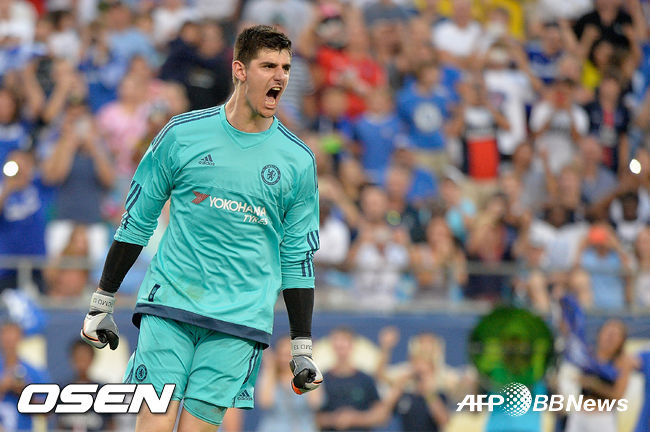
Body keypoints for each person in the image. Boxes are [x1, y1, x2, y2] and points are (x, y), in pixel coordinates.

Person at [80, 25, 323, 432]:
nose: (280, 76)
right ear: (239, 70)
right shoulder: (182, 135)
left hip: (239, 320)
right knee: (155, 424)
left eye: (285, 67)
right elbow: (137, 221)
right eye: (268, 66)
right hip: (171, 304)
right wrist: (102, 300)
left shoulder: (298, 161)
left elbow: (297, 256)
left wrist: (301, 346)